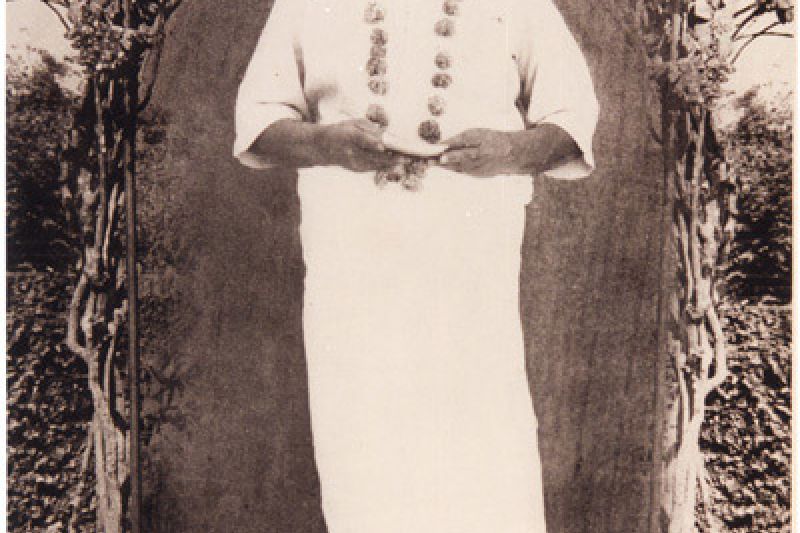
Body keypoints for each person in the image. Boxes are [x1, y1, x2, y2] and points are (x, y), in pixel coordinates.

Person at [233, 0, 598, 531]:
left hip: (469, 257)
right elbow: (259, 121)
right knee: (363, 438)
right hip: (352, 256)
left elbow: (570, 117)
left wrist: (510, 151)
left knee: (479, 438)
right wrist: (325, 143)